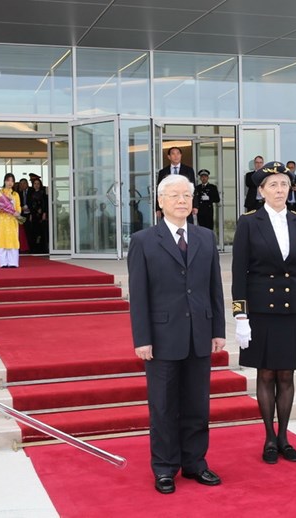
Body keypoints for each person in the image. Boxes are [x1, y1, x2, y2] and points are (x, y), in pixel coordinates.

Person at [128, 174, 225, 495]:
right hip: (161, 336)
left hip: (200, 333)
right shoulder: (144, 240)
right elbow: (139, 294)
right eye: (174, 196)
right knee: (164, 405)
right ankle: (165, 467)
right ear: (160, 201)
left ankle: (196, 463)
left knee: (197, 404)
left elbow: (214, 287)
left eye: (186, 195)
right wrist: (142, 338)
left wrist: (218, 330)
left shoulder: (206, 237)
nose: (182, 200)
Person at [232, 161, 296, 465]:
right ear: (261, 191)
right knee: (266, 373)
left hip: (293, 308)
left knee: (287, 374)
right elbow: (238, 272)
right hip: (261, 309)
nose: (279, 190)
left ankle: (284, 436)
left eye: (284, 184)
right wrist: (240, 315)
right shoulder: (248, 222)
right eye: (273, 185)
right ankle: (269, 437)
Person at [156, 146, 198, 223]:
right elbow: (159, 191)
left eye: (178, 154)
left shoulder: (189, 170)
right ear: (169, 157)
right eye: (173, 154)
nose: (176, 156)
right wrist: (158, 208)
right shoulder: (163, 172)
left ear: (181, 155)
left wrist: (195, 205)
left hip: (183, 202)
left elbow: (193, 189)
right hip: (169, 202)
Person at [0, 172, 21, 267]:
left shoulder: (15, 194)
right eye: (8, 180)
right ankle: (3, 263)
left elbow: (18, 207)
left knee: (13, 239)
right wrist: (1, 209)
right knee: (2, 239)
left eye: (12, 181)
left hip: (12, 220)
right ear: (5, 181)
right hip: (2, 220)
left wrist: (17, 212)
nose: (10, 183)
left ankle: (13, 262)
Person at [29, 177, 49, 253]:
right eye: (35, 184)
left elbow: (45, 204)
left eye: (38, 184)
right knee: (34, 232)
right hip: (34, 214)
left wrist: (44, 213)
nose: (36, 185)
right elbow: (31, 205)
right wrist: (31, 214)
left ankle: (43, 248)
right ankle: (35, 248)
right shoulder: (31, 193)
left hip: (41, 215)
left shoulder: (43, 193)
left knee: (41, 232)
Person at [17, 178, 33, 252]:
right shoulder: (19, 193)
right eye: (21, 184)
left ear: (27, 184)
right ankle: (27, 248)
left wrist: (29, 208)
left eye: (23, 184)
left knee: (31, 231)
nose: (22, 185)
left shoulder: (31, 191)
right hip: (23, 214)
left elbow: (33, 202)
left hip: (31, 214)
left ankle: (32, 247)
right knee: (25, 231)